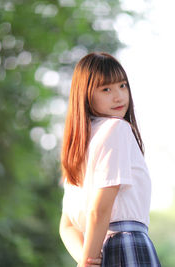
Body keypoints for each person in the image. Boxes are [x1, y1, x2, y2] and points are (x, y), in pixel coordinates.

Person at [59, 52, 161, 267]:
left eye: (122, 86)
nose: (119, 96)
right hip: (126, 245)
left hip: (96, 248)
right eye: (106, 89)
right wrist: (88, 261)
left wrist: (86, 261)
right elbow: (99, 209)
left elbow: (67, 226)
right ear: (85, 95)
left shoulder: (77, 147)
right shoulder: (116, 128)